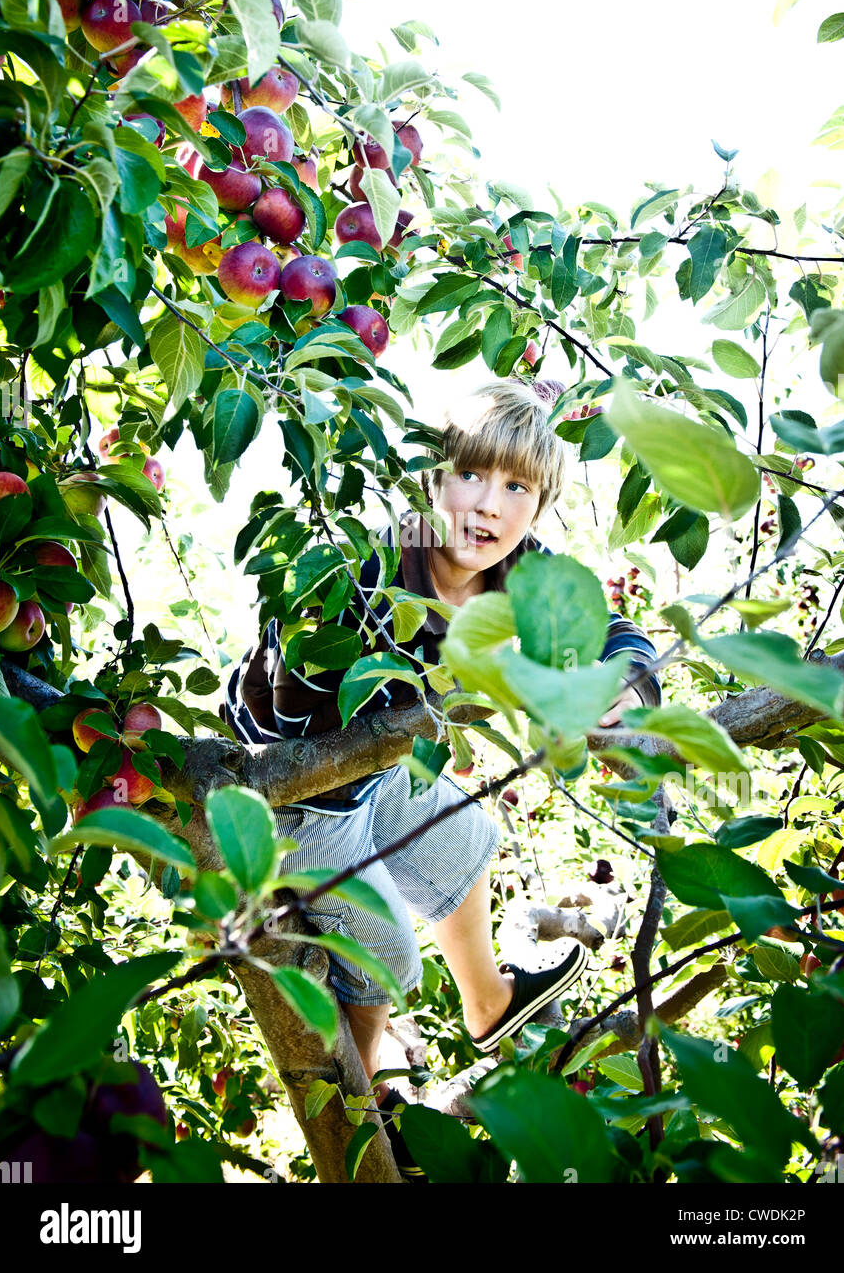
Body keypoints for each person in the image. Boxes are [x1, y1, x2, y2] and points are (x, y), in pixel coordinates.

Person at [221, 378, 661, 1126]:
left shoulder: (517, 572)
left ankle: (488, 1003)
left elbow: (609, 629)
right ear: (429, 480)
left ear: (539, 507)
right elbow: (297, 695)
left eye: (516, 486)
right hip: (290, 788)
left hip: (373, 769)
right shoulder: (373, 570)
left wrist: (620, 682)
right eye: (468, 474)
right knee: (387, 957)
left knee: (466, 834)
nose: (488, 504)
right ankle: (360, 1106)